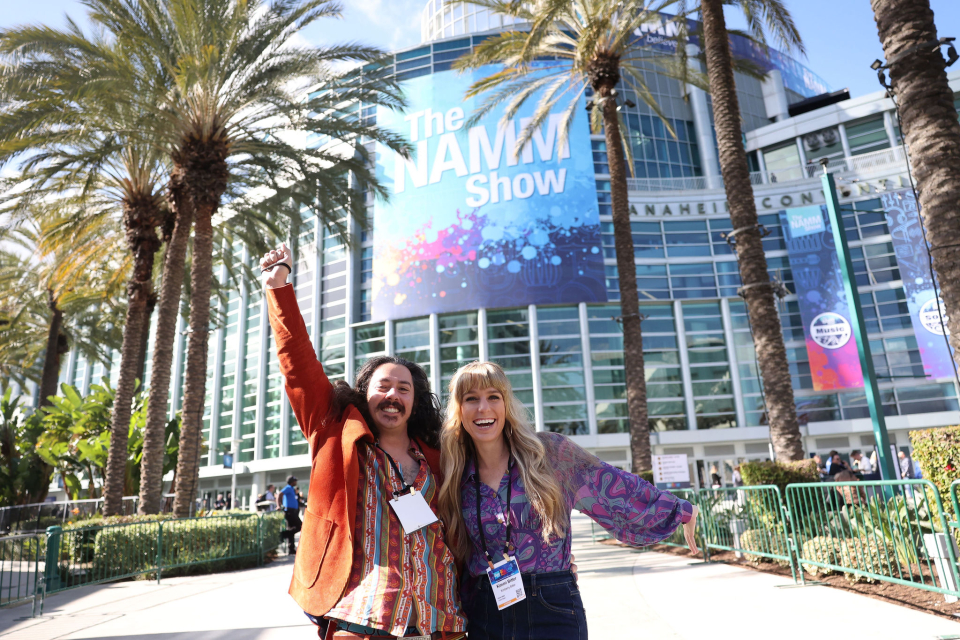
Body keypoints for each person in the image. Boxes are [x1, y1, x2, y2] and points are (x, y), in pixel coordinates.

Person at [261, 245, 465, 640]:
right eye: (383, 385)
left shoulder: (440, 455)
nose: (393, 395)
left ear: (415, 401)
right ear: (364, 392)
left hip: (440, 619)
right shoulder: (335, 433)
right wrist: (279, 289)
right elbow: (299, 367)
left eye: (404, 389)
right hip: (363, 616)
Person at [437, 361, 697, 640]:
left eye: (493, 397)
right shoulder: (454, 471)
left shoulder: (549, 453)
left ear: (507, 404)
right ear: (459, 410)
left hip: (552, 607)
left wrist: (680, 509)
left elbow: (613, 487)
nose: (483, 408)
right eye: (471, 399)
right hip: (485, 610)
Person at [279, 476, 303, 554]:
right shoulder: (288, 488)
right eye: (295, 481)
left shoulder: (292, 489)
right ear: (291, 482)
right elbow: (280, 494)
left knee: (291, 529)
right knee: (300, 526)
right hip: (289, 511)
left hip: (293, 511)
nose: (296, 482)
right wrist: (278, 505)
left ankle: (291, 549)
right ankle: (283, 535)